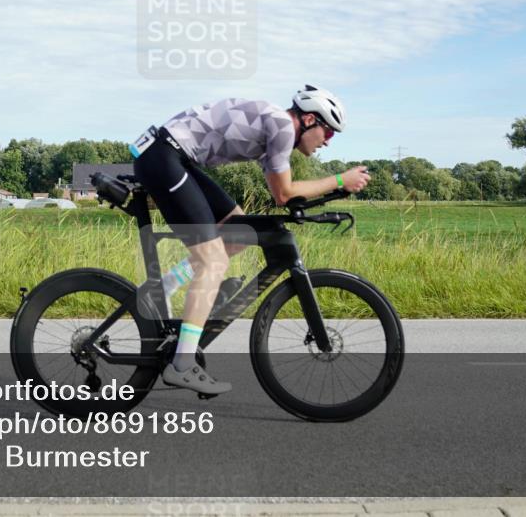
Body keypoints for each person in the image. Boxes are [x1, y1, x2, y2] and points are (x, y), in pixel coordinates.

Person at [129, 85, 370, 395]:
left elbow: (282, 193)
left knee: (238, 231)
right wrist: (339, 180)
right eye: (329, 132)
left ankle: (163, 288)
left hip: (174, 156)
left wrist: (331, 190)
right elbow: (284, 194)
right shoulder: (283, 127)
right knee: (213, 261)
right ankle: (182, 364)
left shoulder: (276, 128)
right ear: (309, 119)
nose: (328, 142)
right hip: (164, 156)